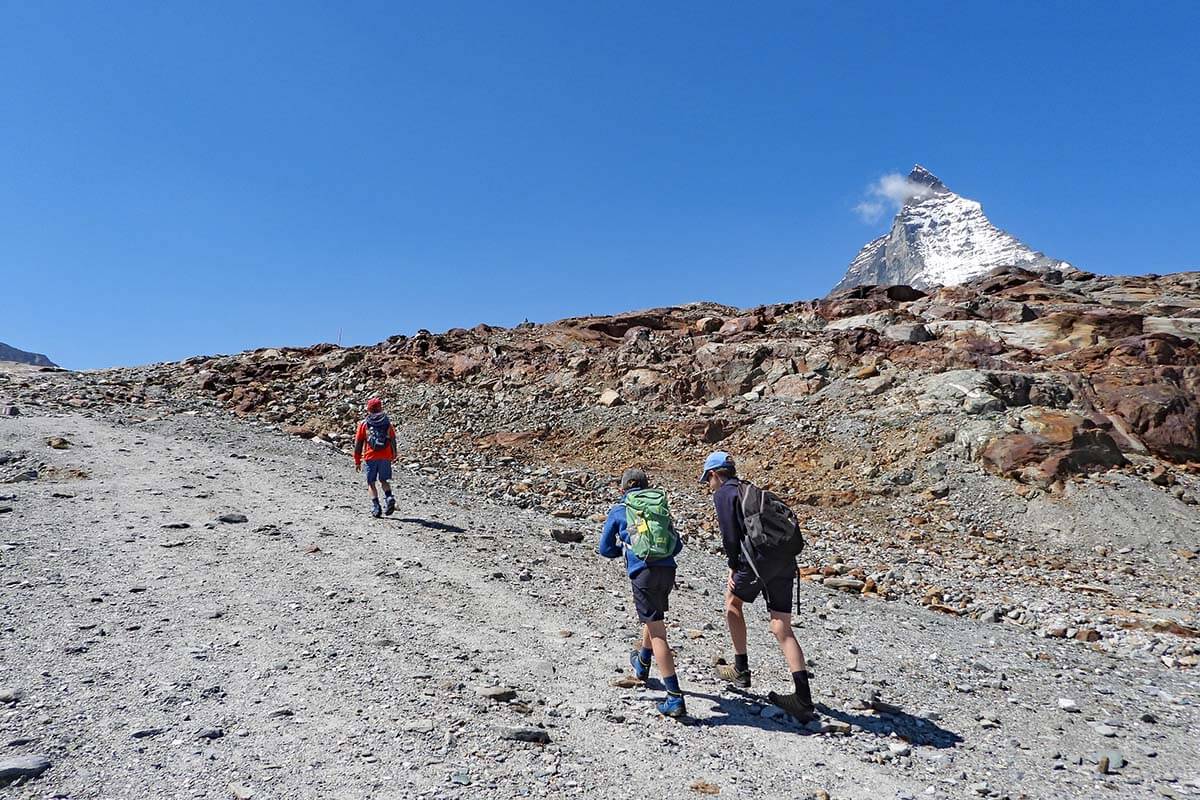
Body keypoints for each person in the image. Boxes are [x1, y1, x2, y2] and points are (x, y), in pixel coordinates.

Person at [700, 451, 817, 723]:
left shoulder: (724, 494)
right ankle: (802, 697)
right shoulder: (749, 489)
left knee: (732, 603)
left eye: (707, 479)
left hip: (758, 562)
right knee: (780, 626)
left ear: (715, 474)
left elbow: (730, 535)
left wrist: (733, 567)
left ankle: (741, 669)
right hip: (784, 560)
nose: (708, 485)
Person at [598, 468, 687, 718]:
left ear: (622, 489)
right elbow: (676, 544)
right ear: (647, 487)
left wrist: (627, 553)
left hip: (643, 572)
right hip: (667, 570)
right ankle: (642, 664)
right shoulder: (658, 507)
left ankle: (674, 696)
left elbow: (604, 548)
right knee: (654, 618)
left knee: (658, 631)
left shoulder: (620, 509)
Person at [353, 397, 398, 518]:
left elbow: (358, 444)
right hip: (386, 456)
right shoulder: (387, 423)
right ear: (381, 408)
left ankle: (376, 507)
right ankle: (389, 497)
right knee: (384, 480)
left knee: (371, 482)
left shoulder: (364, 424)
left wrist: (357, 461)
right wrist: (394, 455)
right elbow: (393, 439)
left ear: (368, 409)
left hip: (370, 457)